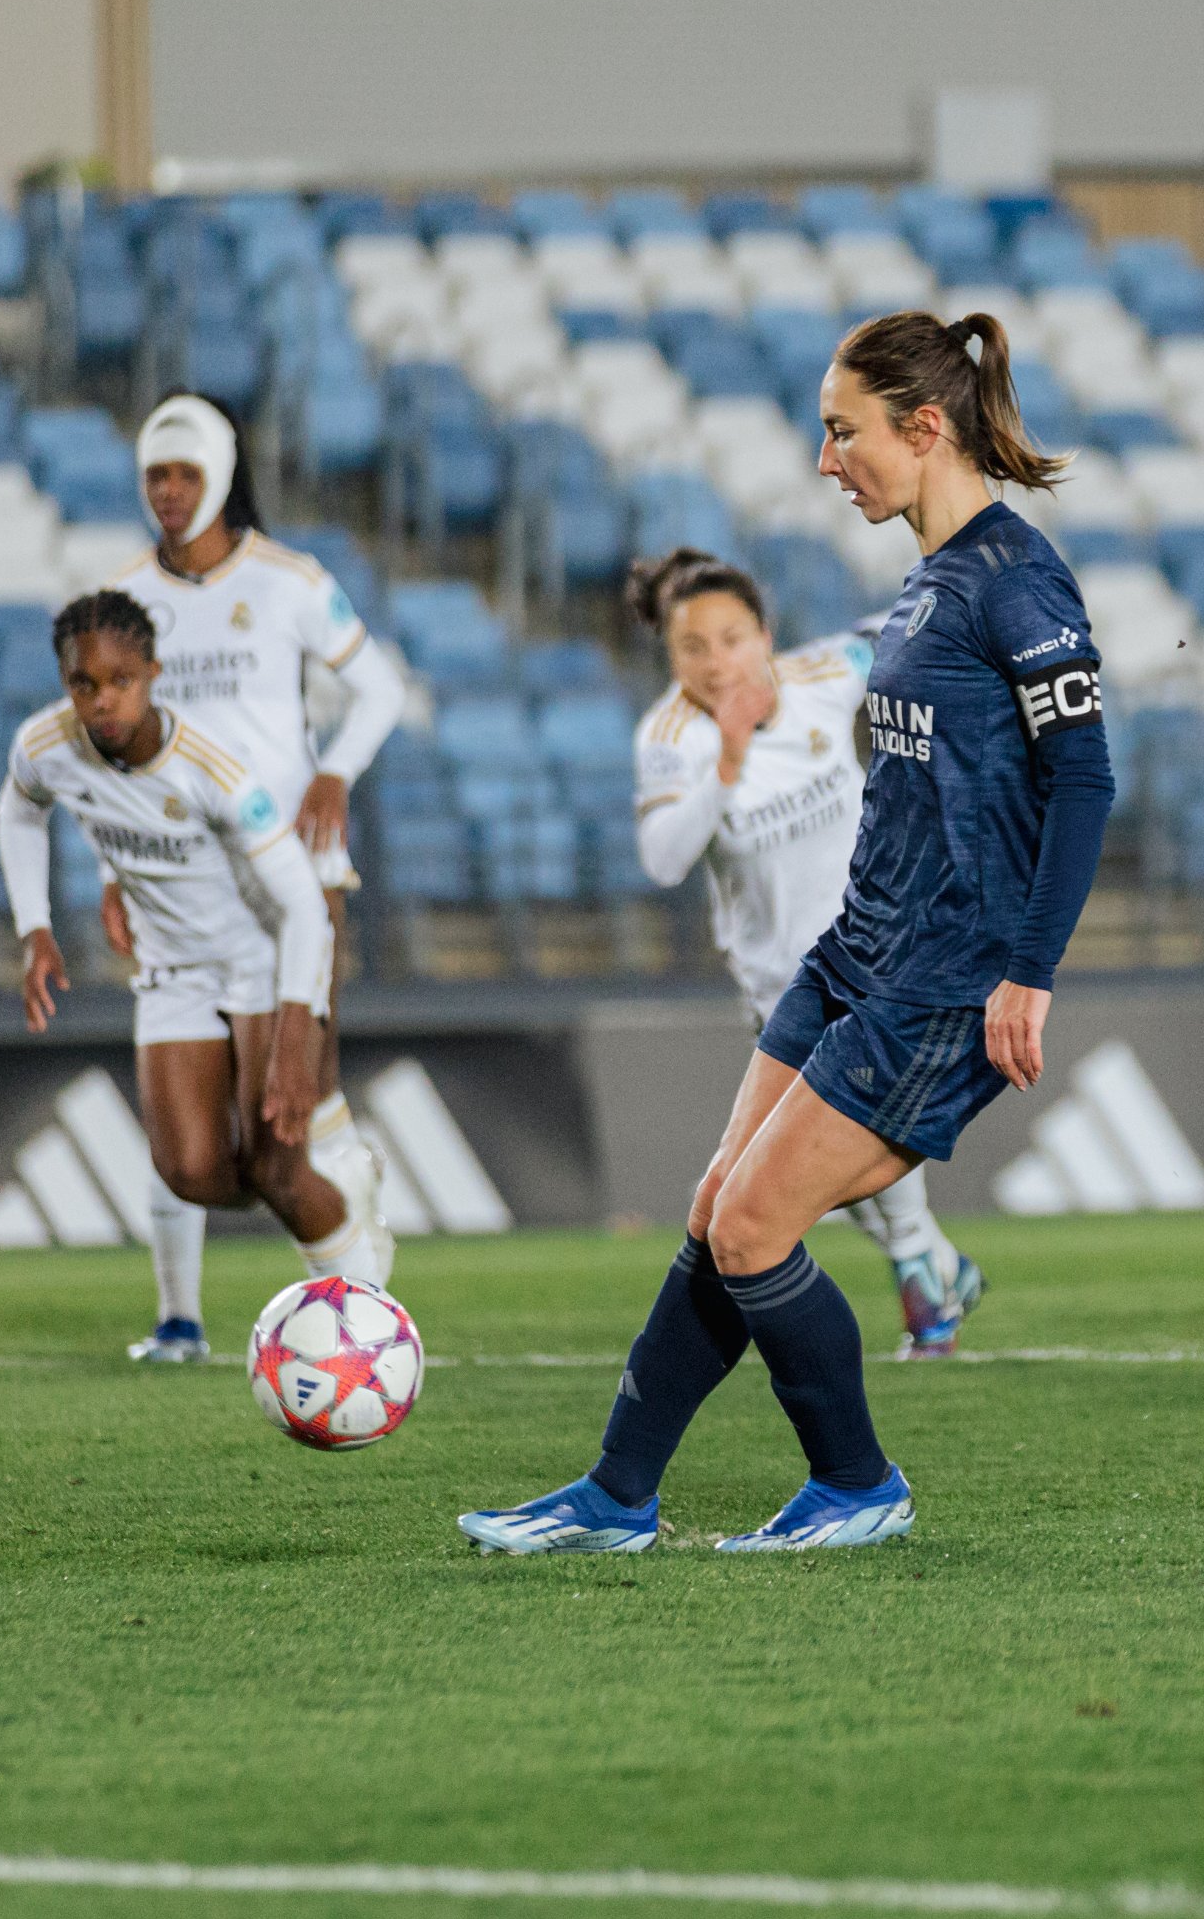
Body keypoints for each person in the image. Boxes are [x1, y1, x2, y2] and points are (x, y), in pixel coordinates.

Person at [462, 312, 1110, 1554]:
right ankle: (612, 1498)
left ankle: (858, 1483)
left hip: (944, 977)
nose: (826, 461)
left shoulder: (1016, 580)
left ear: (924, 429)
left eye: (841, 431)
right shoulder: (923, 583)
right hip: (852, 950)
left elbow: (1082, 781)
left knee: (757, 1227)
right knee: (718, 1209)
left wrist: (1029, 973)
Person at [105, 393, 408, 1363]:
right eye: (156, 474)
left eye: (185, 473)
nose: (168, 491)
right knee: (199, 1140)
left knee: (278, 1123)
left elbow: (381, 687)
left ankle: (356, 1303)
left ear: (224, 478)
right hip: (178, 884)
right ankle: (191, 1305)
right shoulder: (126, 603)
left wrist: (333, 772)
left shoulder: (288, 584)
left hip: (287, 879)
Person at [627, 545, 988, 1357]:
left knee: (822, 1139)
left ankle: (924, 1284)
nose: (717, 661)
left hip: (877, 945)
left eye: (732, 638)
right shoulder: (670, 736)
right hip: (779, 984)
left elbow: (903, 627)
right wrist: (728, 753)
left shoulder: (825, 674)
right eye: (693, 647)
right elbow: (663, 857)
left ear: (765, 633)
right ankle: (931, 1260)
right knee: (812, 1155)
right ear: (671, 653)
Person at [0, 591, 389, 1300]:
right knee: (190, 1171)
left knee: (276, 1169)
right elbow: (18, 808)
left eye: (121, 680)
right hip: (174, 966)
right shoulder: (45, 745)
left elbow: (304, 904)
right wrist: (36, 929)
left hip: (264, 958)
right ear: (66, 684)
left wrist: (297, 1035)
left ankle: (365, 1320)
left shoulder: (214, 768)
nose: (103, 701)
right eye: (84, 683)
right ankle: (334, 1184)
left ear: (153, 671)